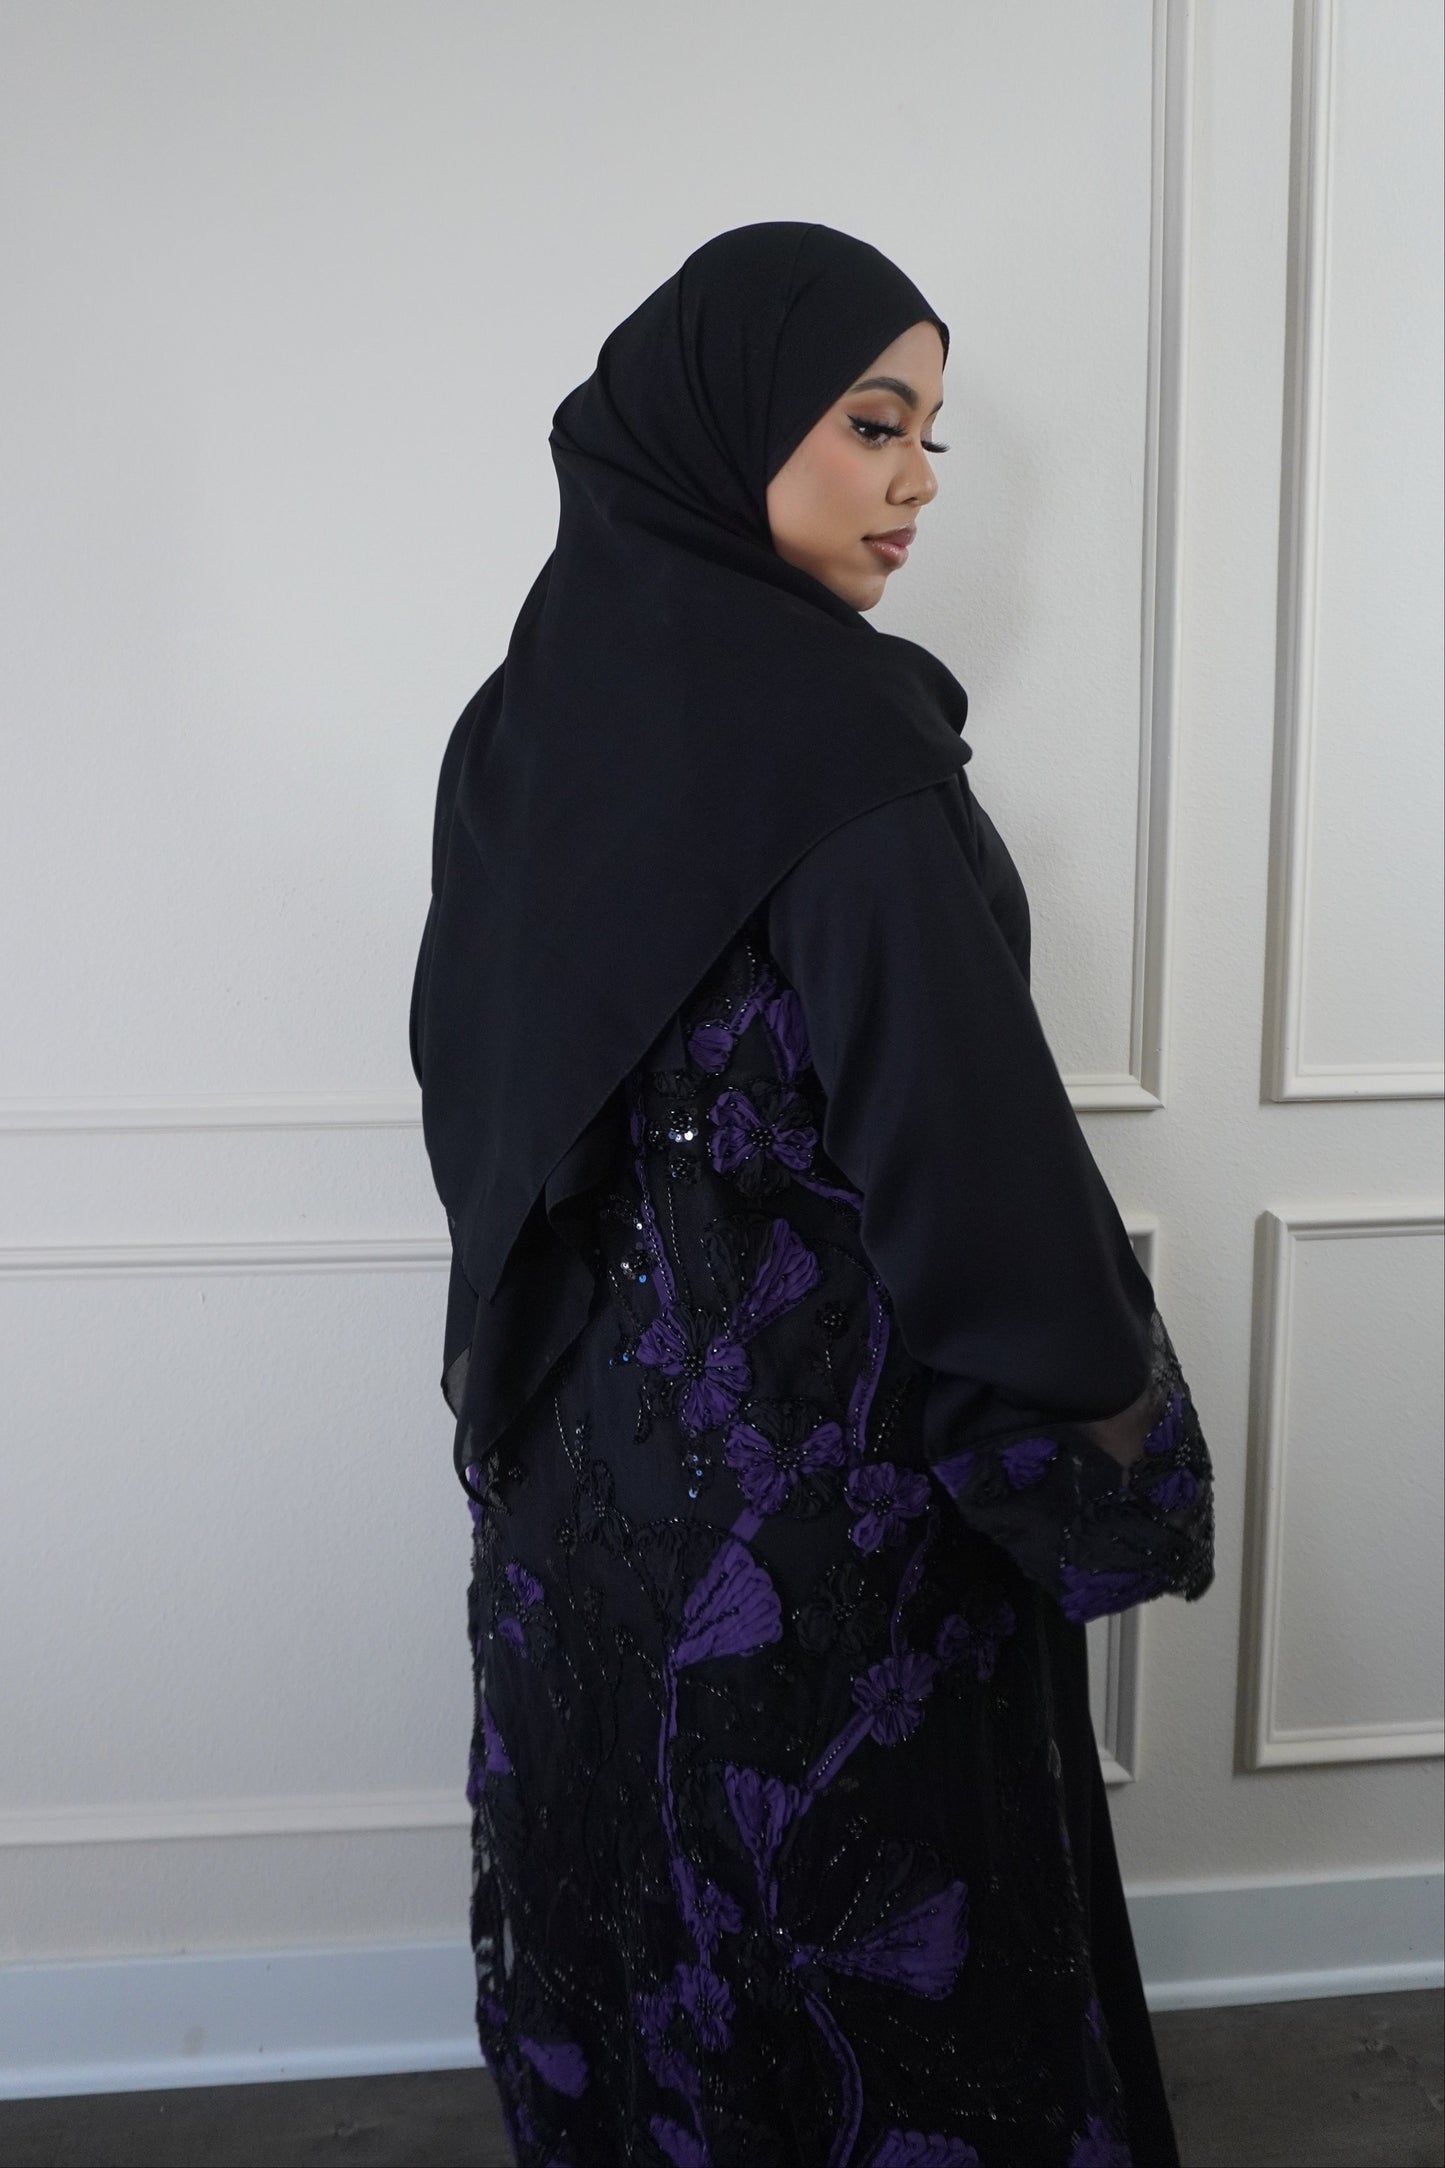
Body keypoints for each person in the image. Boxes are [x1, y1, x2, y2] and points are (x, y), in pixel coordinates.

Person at [409, 221, 1215, 2168]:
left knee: (652, 1949)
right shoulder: (841, 742)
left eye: (931, 433)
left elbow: (475, 1105)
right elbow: (964, 1144)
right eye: (873, 423)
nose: (918, 480)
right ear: (731, 419)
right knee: (872, 1986)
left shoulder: (521, 724)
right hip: (821, 1531)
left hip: (581, 1506)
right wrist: (1101, 1447)